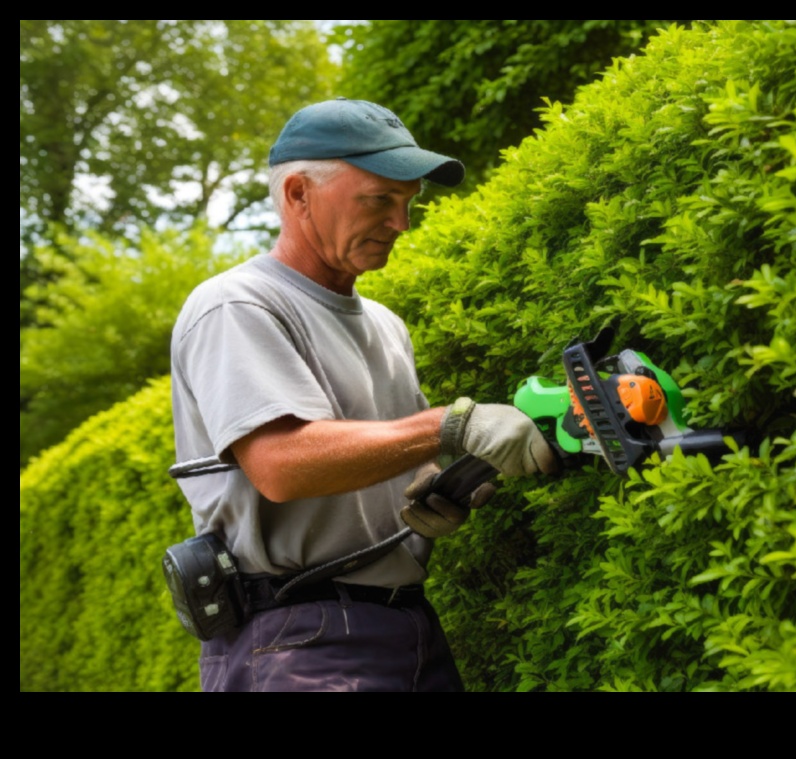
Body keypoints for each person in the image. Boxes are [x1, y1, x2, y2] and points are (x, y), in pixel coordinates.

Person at [170, 97, 557, 691]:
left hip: (407, 625)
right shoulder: (238, 305)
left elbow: (382, 455)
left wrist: (430, 496)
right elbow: (280, 464)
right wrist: (449, 427)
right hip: (297, 639)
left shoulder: (384, 324)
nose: (401, 223)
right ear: (298, 193)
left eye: (408, 204)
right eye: (380, 199)